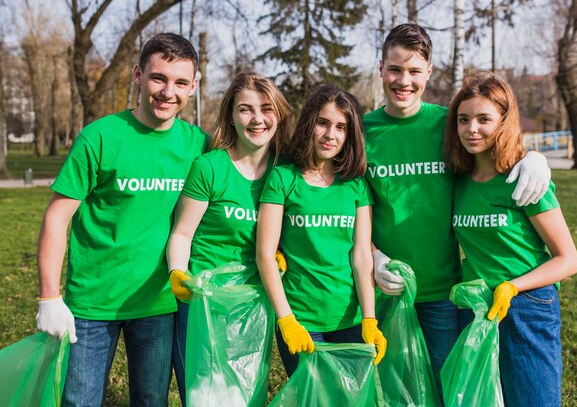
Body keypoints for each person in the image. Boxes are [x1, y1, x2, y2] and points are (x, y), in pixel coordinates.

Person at [363, 23, 552, 385]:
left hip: (445, 294)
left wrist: (532, 157)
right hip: (384, 290)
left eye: (415, 71)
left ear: (428, 72)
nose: (404, 80)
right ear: (381, 68)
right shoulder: (361, 130)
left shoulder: (447, 123)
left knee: (448, 388)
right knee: (392, 391)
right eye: (395, 69)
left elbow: (490, 143)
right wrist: (373, 254)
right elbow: (348, 204)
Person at [35, 33, 208, 407]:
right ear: (137, 75)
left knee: (151, 401)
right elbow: (56, 217)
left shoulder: (199, 145)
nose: (167, 92)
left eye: (180, 82)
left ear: (194, 86)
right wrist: (49, 296)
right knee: (79, 402)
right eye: (158, 78)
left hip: (159, 304)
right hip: (92, 305)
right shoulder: (99, 137)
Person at [444, 71, 577, 406]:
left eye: (483, 119)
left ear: (504, 121)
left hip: (526, 306)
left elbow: (568, 259)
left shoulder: (525, 179)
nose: (471, 129)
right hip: (476, 308)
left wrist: (513, 286)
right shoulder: (458, 182)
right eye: (463, 119)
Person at [166, 72, 292, 406]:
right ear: (231, 118)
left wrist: (280, 253)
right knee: (207, 392)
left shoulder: (285, 171)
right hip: (205, 300)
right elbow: (182, 232)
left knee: (248, 389)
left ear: (278, 114)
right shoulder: (210, 167)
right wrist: (178, 272)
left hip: (254, 301)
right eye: (245, 109)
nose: (257, 119)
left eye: (266, 108)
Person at [256, 84, 387, 377]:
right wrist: (286, 319)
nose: (331, 135)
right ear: (309, 124)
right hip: (301, 320)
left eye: (341, 127)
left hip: (350, 320)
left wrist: (369, 319)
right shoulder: (282, 178)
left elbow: (362, 256)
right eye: (323, 123)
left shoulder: (356, 185)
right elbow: (265, 254)